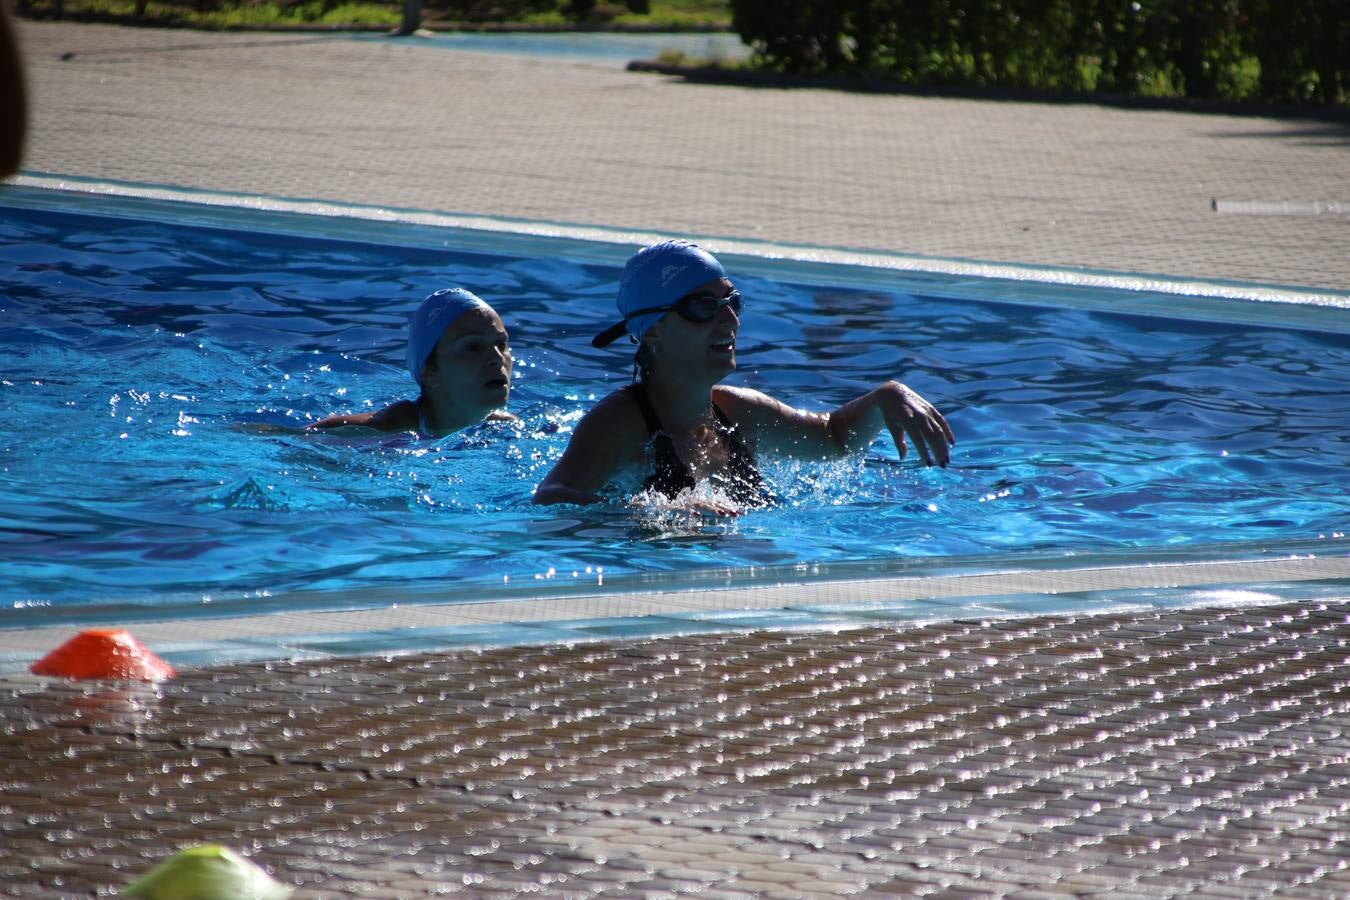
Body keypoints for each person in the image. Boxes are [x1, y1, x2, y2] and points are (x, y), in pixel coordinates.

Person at [532, 240, 955, 514]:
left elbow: (833, 439)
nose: (729, 318)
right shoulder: (620, 423)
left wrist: (884, 398)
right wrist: (658, 514)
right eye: (704, 307)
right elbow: (552, 501)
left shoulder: (737, 410)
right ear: (655, 331)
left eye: (732, 301)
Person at [310, 288, 516, 437]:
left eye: (501, 344)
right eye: (472, 347)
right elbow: (293, 440)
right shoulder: (391, 426)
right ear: (429, 372)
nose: (497, 358)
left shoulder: (507, 429)